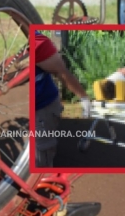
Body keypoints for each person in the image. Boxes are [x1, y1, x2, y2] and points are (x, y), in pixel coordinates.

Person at [35, 31, 91, 167]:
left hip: (44, 106)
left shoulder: (38, 41)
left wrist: (84, 98)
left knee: (42, 156)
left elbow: (62, 72)